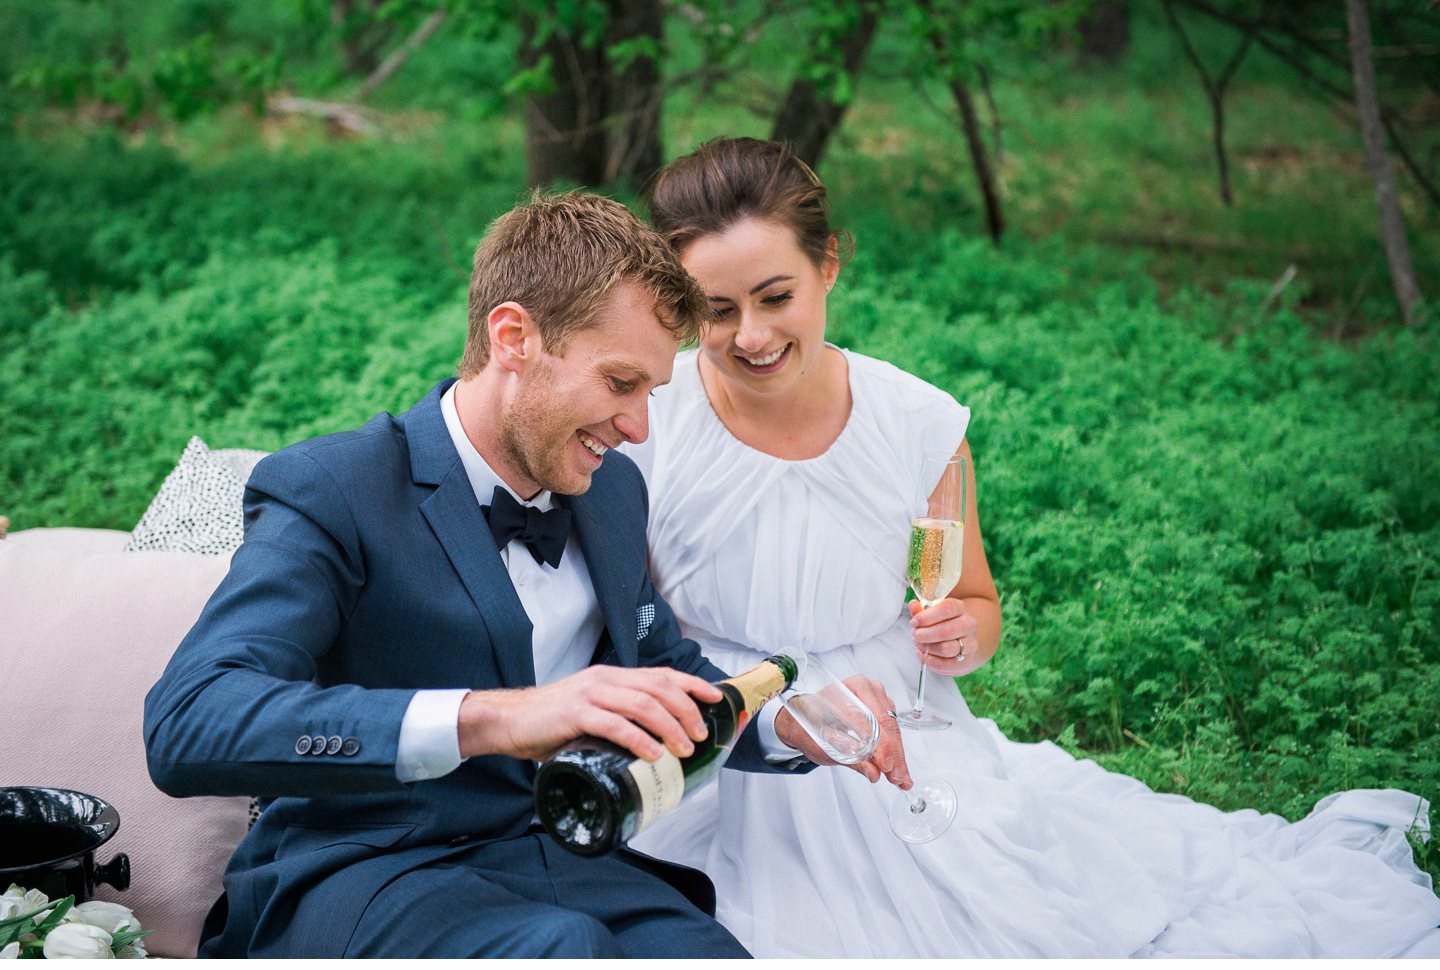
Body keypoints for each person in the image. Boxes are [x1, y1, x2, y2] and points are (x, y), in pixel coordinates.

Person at [620, 136, 1440, 958]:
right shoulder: (648, 423)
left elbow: (973, 605)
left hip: (898, 731)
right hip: (719, 734)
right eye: (716, 311)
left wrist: (960, 636)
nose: (750, 334)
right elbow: (625, 627)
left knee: (996, 919)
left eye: (775, 297)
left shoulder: (915, 424)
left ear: (828, 265)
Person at [142, 192, 907, 958]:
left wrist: (785, 723)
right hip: (363, 871)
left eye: (651, 391)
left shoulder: (612, 489)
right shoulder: (334, 487)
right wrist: (497, 719)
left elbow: (667, 667)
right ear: (514, 337)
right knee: (560, 950)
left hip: (563, 860)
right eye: (619, 383)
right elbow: (190, 721)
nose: (640, 427)